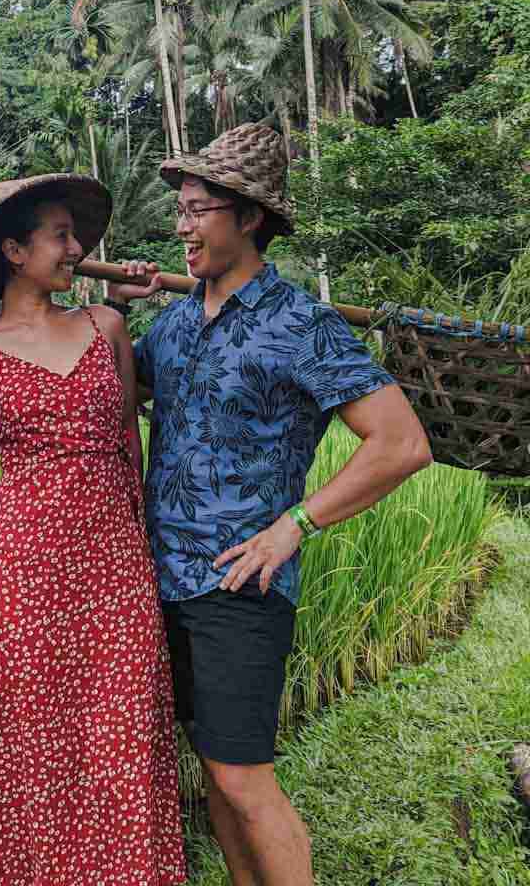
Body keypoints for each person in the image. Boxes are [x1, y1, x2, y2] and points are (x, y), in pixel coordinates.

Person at [108, 123, 432, 886]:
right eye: (179, 210)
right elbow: (119, 396)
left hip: (239, 587)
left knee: (244, 778)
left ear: (248, 217)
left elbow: (400, 443)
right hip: (164, 580)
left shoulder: (302, 325)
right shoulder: (180, 319)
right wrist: (118, 311)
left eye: (197, 210)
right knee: (214, 772)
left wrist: (294, 526)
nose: (181, 226)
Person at [0, 173, 186, 886]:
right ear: (13, 249)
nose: (76, 249)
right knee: (19, 733)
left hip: (113, 566)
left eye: (77, 236)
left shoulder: (107, 326)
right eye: (60, 236)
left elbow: (131, 444)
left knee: (116, 728)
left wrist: (144, 550)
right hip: (21, 568)